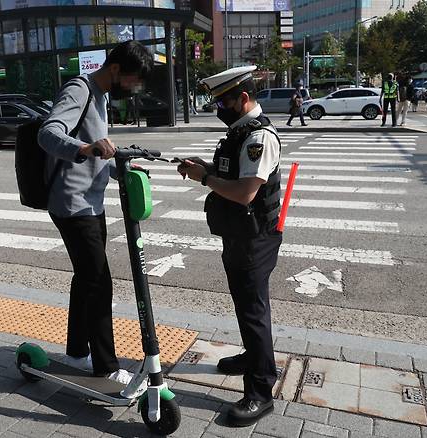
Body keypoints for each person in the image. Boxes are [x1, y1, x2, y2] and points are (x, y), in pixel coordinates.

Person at [37, 41, 153, 384]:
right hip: (73, 204)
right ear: (115, 69)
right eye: (133, 80)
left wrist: (124, 171)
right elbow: (49, 133)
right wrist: (86, 147)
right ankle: (105, 366)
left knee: (86, 280)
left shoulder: (100, 97)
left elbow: (99, 155)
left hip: (91, 202)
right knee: (100, 283)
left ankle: (76, 352)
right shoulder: (79, 89)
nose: (134, 88)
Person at [175, 66, 282, 426]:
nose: (219, 106)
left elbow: (245, 191)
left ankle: (261, 391)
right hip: (240, 235)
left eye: (224, 100)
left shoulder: (258, 138)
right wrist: (204, 167)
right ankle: (254, 357)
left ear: (244, 99)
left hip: (254, 239)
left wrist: (204, 177)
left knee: (253, 309)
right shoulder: (240, 133)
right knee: (245, 303)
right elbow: (231, 173)